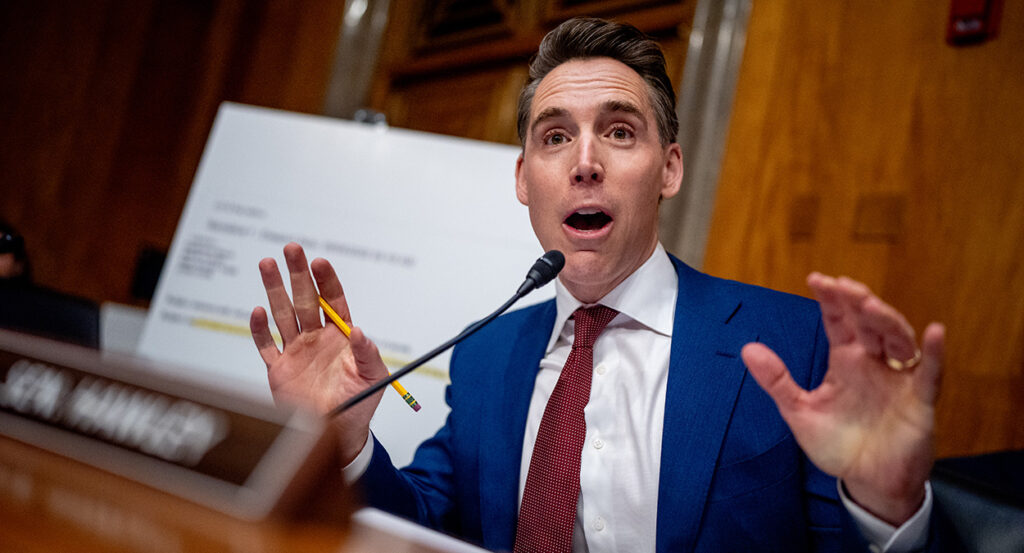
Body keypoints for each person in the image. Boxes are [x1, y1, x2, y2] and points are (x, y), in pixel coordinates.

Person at [250, 18, 954, 553]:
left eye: (619, 132)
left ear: (669, 169)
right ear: (524, 181)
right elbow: (433, 527)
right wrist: (344, 445)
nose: (584, 163)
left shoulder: (791, 341)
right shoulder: (487, 355)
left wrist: (886, 506)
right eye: (555, 138)